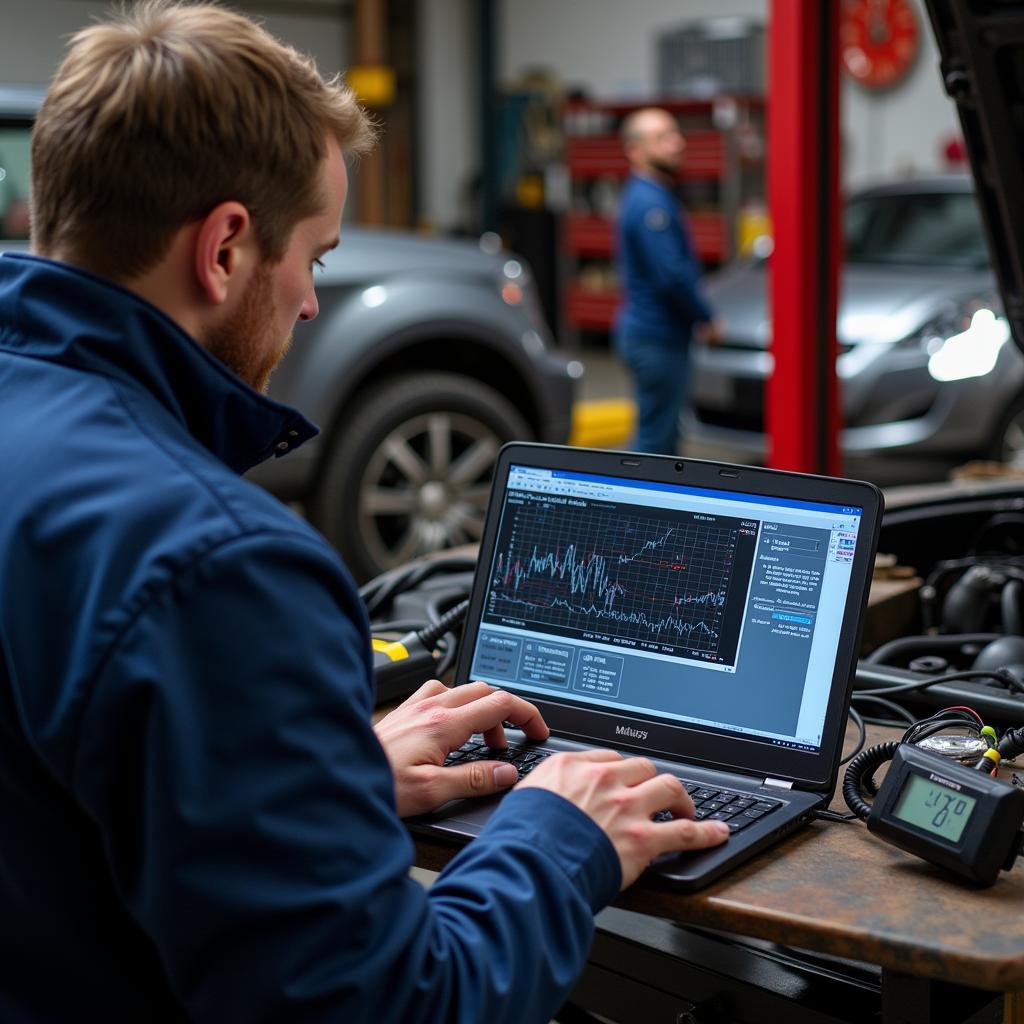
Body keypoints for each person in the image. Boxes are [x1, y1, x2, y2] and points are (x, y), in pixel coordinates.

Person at [0, 5, 729, 1022]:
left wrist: (311, 791)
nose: (307, 301)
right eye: (316, 256)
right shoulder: (219, 565)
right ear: (223, 249)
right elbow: (391, 1006)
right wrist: (556, 833)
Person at [613, 107, 723, 456]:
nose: (677, 144)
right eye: (662, 138)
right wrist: (705, 316)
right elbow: (671, 276)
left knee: (663, 437)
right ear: (635, 149)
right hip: (656, 338)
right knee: (653, 445)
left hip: (654, 335)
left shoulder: (651, 195)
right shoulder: (649, 204)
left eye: (675, 135)